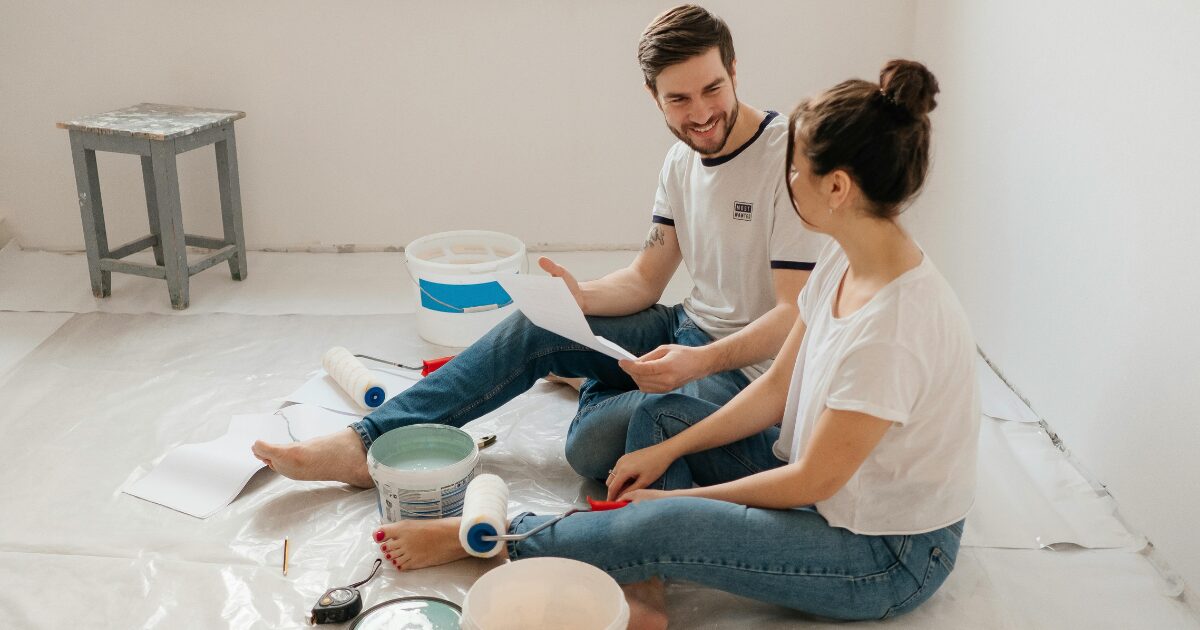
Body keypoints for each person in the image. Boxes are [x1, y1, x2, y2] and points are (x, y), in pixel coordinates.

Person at [369, 59, 980, 630]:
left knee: (658, 517)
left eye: (798, 169)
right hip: (826, 487)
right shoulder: (843, 264)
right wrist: (672, 454)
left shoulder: (894, 327)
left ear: (838, 187)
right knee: (660, 424)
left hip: (883, 553)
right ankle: (641, 555)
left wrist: (681, 500)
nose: (790, 179)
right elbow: (774, 390)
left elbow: (809, 483)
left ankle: (493, 535)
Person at [252, 4, 823, 488]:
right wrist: (580, 297)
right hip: (685, 328)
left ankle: (593, 380)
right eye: (678, 100)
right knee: (534, 327)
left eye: (712, 89)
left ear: (735, 71)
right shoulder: (680, 160)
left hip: (747, 371)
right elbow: (647, 280)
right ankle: (367, 441)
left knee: (592, 448)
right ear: (652, 96)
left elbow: (791, 315)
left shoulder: (787, 156)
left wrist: (697, 361)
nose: (699, 114)